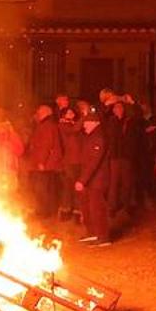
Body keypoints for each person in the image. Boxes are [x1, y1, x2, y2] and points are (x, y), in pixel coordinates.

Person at [74, 109, 112, 247]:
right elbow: (75, 130)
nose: (84, 125)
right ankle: (93, 233)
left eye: (86, 123)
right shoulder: (91, 136)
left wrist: (82, 180)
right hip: (91, 180)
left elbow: (94, 162)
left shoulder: (98, 137)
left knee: (98, 209)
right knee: (88, 208)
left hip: (98, 180)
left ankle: (103, 237)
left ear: (95, 123)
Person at [25, 103, 63, 218]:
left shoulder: (47, 126)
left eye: (40, 112)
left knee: (42, 189)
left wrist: (41, 162)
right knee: (45, 189)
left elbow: (46, 145)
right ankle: (45, 211)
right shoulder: (47, 124)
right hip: (47, 164)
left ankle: (44, 212)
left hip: (45, 165)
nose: (38, 114)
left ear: (46, 113)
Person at [57, 106, 83, 220]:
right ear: (63, 115)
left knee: (76, 187)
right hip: (70, 161)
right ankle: (66, 211)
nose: (71, 113)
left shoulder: (72, 124)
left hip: (77, 160)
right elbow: (74, 131)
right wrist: (84, 117)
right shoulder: (64, 125)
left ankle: (76, 211)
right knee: (69, 187)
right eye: (68, 112)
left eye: (72, 111)